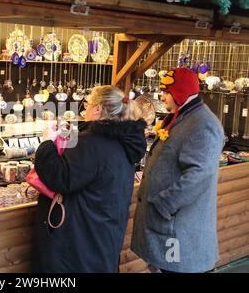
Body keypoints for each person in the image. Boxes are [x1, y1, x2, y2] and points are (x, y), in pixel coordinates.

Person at [31, 85, 147, 272]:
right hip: (104, 234)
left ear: (98, 109)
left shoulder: (91, 142)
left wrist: (47, 143)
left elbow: (60, 178)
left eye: (88, 105)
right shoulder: (125, 141)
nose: (85, 110)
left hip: (79, 239)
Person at [131, 67, 225, 273]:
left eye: (166, 92)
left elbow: (198, 175)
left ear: (180, 92)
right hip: (167, 226)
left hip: (178, 229)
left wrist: (164, 204)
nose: (161, 97)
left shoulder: (203, 124)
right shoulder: (181, 115)